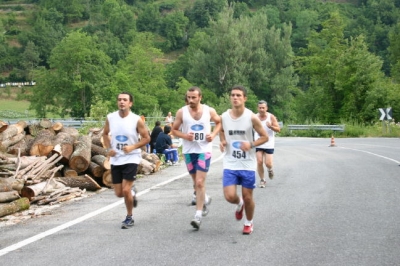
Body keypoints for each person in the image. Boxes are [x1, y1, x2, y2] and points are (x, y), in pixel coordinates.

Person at [219, 85, 268, 235]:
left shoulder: (251, 117)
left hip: (247, 163)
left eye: (238, 95)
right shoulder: (224, 116)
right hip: (230, 161)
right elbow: (220, 130)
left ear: (244, 98)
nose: (235, 98)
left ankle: (248, 222)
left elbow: (264, 136)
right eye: (233, 95)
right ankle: (238, 203)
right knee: (229, 196)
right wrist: (222, 140)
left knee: (248, 197)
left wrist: (251, 144)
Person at [172, 86, 221, 230]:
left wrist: (213, 135)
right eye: (188, 97)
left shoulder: (209, 110)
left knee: (200, 182)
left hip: (204, 150)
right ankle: (205, 199)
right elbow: (174, 130)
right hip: (188, 151)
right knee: (195, 183)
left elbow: (219, 122)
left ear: (200, 97)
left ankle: (198, 215)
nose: (190, 100)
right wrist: (185, 136)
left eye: (194, 97)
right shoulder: (182, 112)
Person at [103, 92, 150, 229]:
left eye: (125, 100)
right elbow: (105, 133)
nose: (121, 102)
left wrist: (133, 147)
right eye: (119, 100)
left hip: (131, 157)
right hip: (116, 158)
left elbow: (147, 138)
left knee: (125, 190)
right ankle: (132, 192)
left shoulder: (136, 120)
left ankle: (129, 217)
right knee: (118, 193)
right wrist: (107, 149)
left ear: (130, 103)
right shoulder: (110, 118)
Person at [254, 100, 281, 188]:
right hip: (258, 142)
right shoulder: (254, 117)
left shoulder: (271, 117)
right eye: (260, 108)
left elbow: (278, 129)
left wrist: (271, 126)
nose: (261, 109)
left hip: (269, 143)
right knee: (259, 161)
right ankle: (262, 180)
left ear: (266, 108)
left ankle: (270, 169)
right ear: (257, 108)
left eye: (263, 108)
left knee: (268, 163)